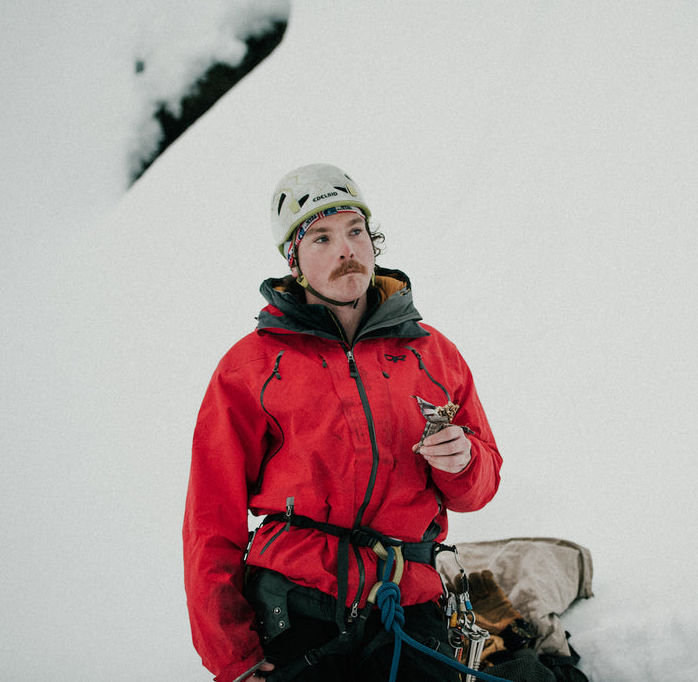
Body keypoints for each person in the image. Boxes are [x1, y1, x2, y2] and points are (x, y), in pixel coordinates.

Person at [183, 163, 502, 682]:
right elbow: (210, 517)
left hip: (408, 598)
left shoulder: (433, 355)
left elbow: (479, 489)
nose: (345, 250)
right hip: (296, 599)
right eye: (322, 238)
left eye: (356, 231)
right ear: (295, 261)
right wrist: (231, 655)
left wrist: (465, 462)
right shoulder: (251, 367)